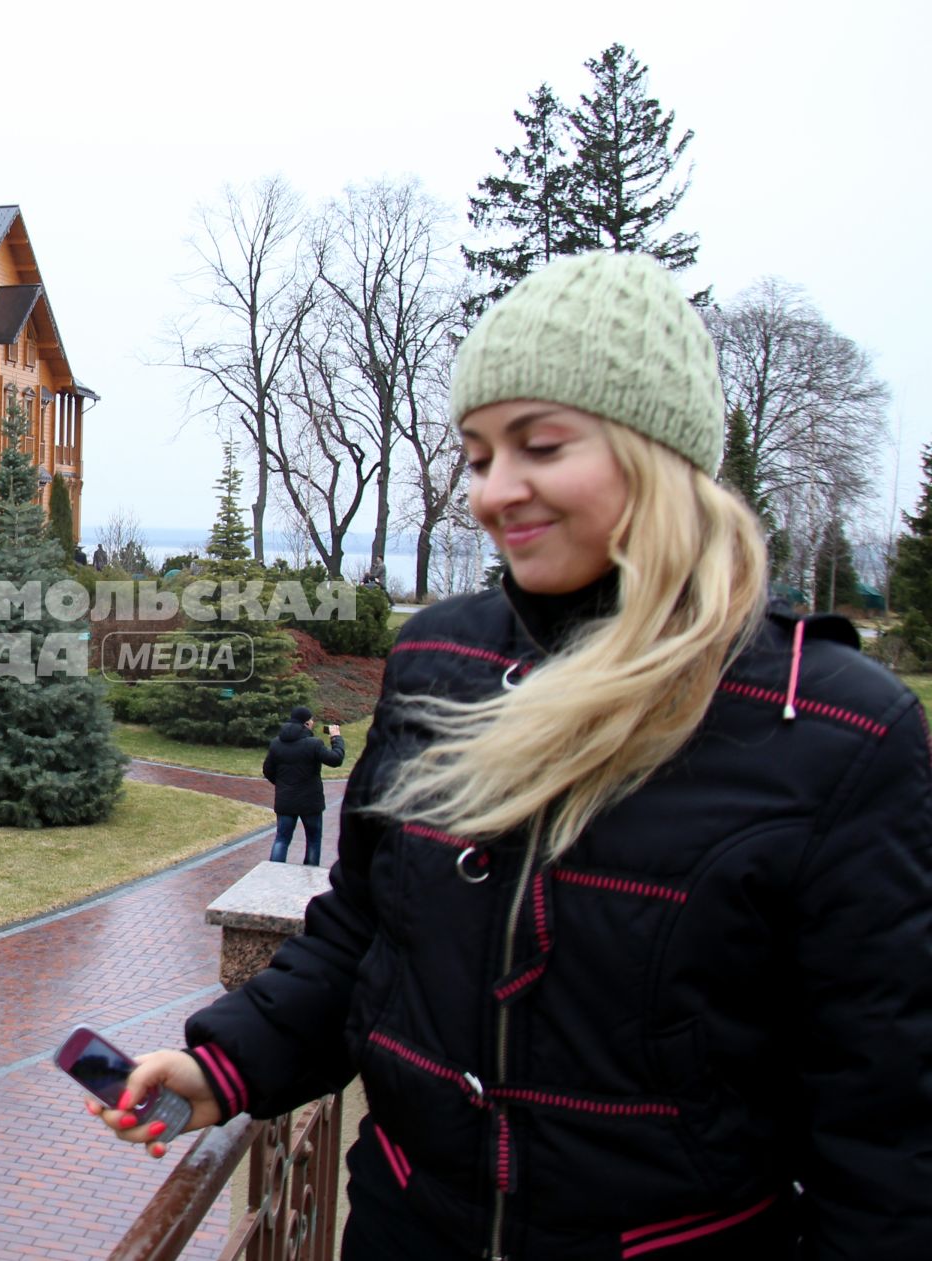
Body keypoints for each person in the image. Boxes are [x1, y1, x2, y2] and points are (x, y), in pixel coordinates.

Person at [85, 252, 932, 1259]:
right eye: (479, 456)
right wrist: (223, 1064)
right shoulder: (440, 659)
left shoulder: (834, 727)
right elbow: (367, 931)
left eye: (539, 446)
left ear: (658, 452)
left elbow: (887, 1124)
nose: (495, 491)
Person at [261, 706, 344, 865]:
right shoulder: (314, 744)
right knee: (313, 840)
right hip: (310, 802)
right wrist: (336, 738)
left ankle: (271, 874)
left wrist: (282, 784)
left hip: (286, 801)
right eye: (311, 720)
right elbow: (336, 759)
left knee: (282, 839)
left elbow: (267, 770)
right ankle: (309, 877)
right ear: (306, 724)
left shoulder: (276, 743)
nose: (313, 722)